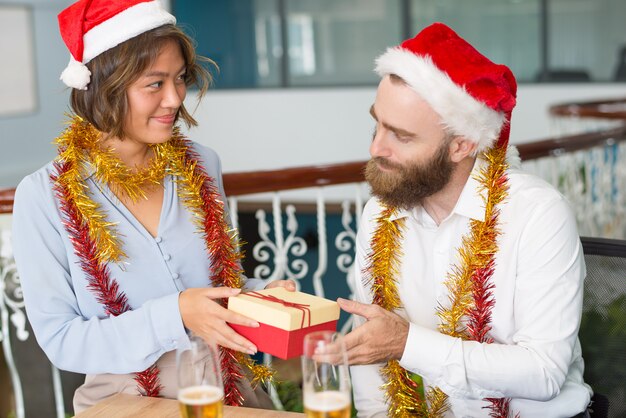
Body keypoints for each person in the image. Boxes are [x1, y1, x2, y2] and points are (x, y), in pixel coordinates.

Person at [11, 0, 293, 413]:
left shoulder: (202, 164)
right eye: (154, 84)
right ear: (104, 87)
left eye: (180, 79)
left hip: (231, 396)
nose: (175, 98)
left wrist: (258, 296)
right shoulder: (44, 196)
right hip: (128, 405)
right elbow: (62, 341)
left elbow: (214, 288)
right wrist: (174, 315)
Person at [335, 23, 592, 417]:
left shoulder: (537, 213)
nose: (375, 147)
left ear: (462, 144)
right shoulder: (381, 212)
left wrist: (407, 344)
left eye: (400, 136)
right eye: (377, 123)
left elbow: (544, 372)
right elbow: (373, 355)